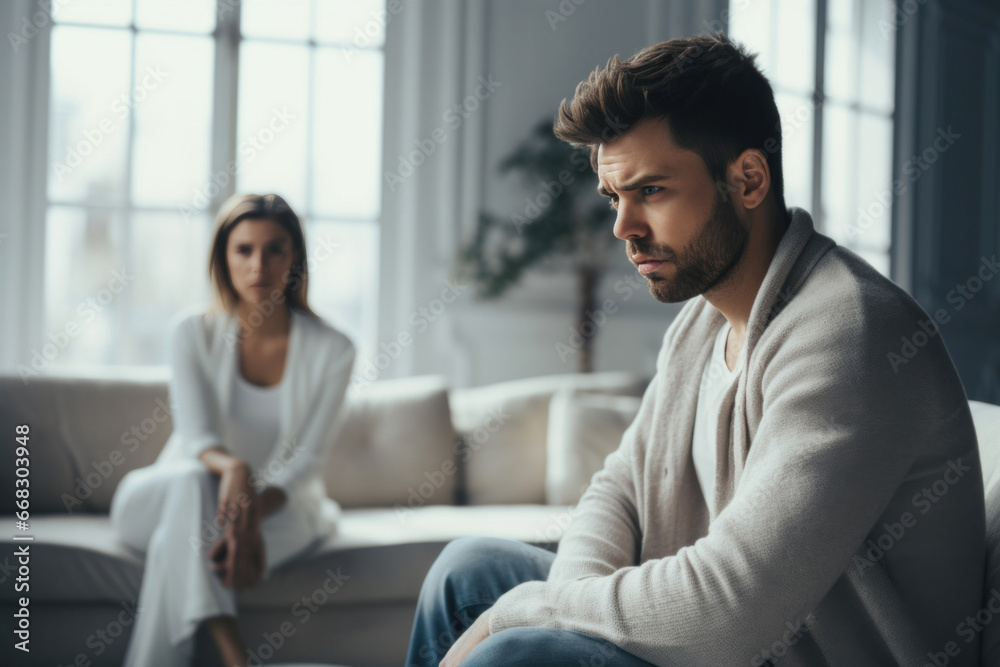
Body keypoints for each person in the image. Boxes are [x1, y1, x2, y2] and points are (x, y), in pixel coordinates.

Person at [406, 33, 986, 666]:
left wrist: (534, 611)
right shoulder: (701, 323)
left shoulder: (853, 333)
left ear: (749, 178)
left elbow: (729, 608)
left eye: (651, 191)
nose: (623, 228)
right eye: (613, 196)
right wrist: (564, 603)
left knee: (511, 650)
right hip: (732, 642)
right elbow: (622, 487)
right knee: (466, 571)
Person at [110, 193, 356, 667]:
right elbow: (197, 438)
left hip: (280, 511)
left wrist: (248, 514)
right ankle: (235, 657)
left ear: (297, 257)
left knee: (174, 545)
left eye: (275, 249)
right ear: (223, 257)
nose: (258, 265)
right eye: (243, 249)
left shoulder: (335, 349)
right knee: (191, 480)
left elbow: (307, 460)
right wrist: (234, 468)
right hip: (161, 498)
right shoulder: (191, 332)